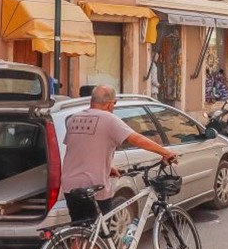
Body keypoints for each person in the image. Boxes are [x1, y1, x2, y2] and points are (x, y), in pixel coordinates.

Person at [61, 85, 177, 223]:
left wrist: (109, 167)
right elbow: (136, 139)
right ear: (110, 103)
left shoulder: (74, 118)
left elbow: (79, 148)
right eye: (114, 103)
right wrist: (166, 152)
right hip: (94, 185)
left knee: (80, 230)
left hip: (70, 185)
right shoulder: (109, 119)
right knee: (100, 236)